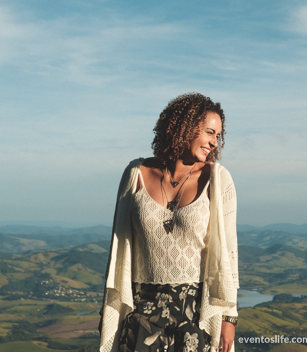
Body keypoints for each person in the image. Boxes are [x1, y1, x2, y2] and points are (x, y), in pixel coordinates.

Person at [99, 93, 239, 352]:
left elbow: (228, 255)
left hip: (194, 314)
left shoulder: (217, 179)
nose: (214, 142)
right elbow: (117, 248)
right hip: (140, 314)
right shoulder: (135, 174)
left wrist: (229, 317)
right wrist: (111, 308)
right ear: (185, 126)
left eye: (218, 136)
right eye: (209, 132)